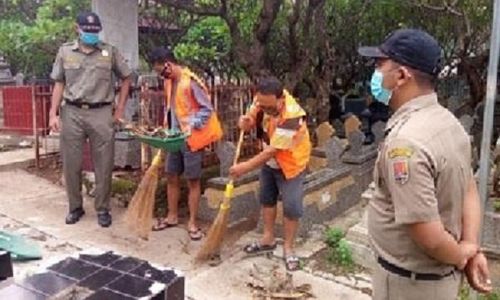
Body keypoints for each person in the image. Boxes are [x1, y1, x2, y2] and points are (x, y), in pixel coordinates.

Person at [358, 28, 492, 299]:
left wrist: (462, 255)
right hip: (434, 281)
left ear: (402, 76)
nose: (375, 73)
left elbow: (428, 235)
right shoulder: (448, 123)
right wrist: (470, 246)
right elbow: (469, 189)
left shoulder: (406, 144)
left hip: (409, 286)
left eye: (380, 64)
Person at [49, 12, 132, 227]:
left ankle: (103, 209)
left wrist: (120, 108)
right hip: (72, 113)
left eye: (95, 31)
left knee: (104, 164)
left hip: (101, 113)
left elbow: (127, 77)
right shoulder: (66, 51)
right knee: (71, 163)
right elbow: (58, 83)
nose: (92, 35)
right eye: (88, 31)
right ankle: (75, 207)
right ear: (77, 28)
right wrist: (53, 114)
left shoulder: (109, 52)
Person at [230, 76, 311, 271]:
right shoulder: (261, 100)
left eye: (268, 107)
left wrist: (244, 167)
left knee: (291, 207)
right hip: (270, 164)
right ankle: (268, 238)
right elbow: (250, 120)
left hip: (291, 165)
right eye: (261, 105)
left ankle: (289, 248)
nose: (264, 109)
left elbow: (272, 150)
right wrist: (245, 121)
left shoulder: (292, 115)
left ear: (280, 99)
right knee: (267, 199)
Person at [149, 47, 223, 240]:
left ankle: (192, 222)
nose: (160, 75)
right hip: (174, 137)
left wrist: (192, 124)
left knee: (193, 180)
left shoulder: (190, 82)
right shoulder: (169, 82)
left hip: (192, 139)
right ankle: (172, 216)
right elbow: (172, 108)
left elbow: (207, 109)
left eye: (160, 70)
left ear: (168, 64)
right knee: (171, 175)